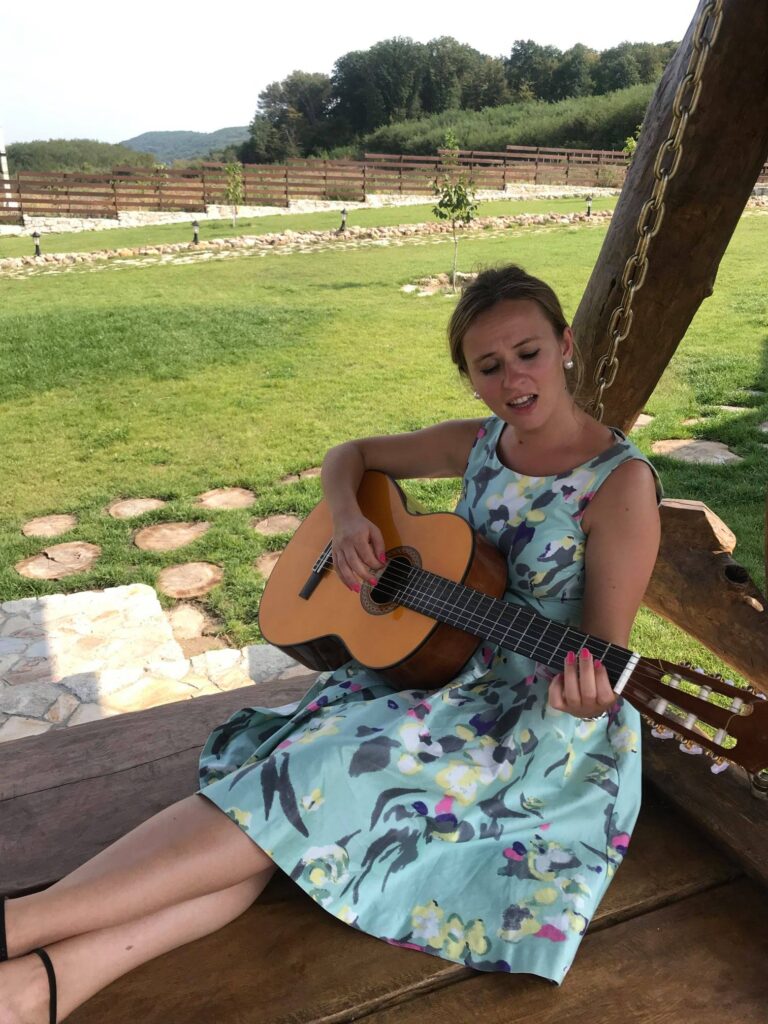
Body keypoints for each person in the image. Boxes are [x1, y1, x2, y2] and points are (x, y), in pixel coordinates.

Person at [0, 264, 662, 1021]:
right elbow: (350, 454)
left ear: (565, 345)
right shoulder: (479, 444)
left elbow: (600, 659)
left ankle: (23, 928)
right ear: (471, 378)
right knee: (281, 806)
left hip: (525, 720)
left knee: (298, 787)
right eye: (489, 366)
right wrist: (350, 521)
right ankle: (38, 986)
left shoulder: (619, 484)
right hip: (433, 668)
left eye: (529, 352)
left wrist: (585, 692)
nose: (514, 378)